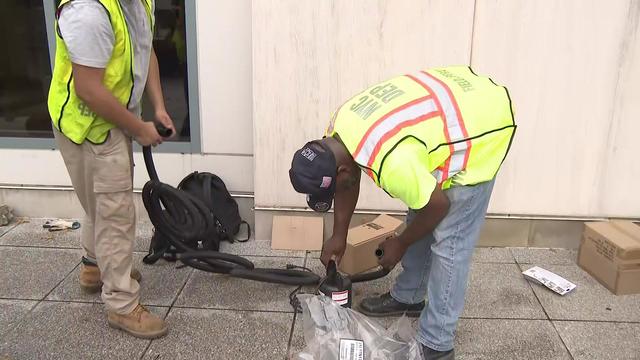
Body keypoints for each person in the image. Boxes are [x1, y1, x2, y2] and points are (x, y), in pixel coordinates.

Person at [289, 66, 516, 359]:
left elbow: (438, 206)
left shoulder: (392, 162)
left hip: (483, 125)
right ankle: (409, 297)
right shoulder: (338, 130)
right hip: (451, 105)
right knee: (419, 206)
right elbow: (349, 180)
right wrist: (338, 235)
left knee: (450, 242)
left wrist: (400, 243)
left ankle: (437, 342)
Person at [48, 0, 175, 339]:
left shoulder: (136, 2)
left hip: (114, 120)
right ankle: (122, 305)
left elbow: (144, 50)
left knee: (102, 203)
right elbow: (89, 90)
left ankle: (93, 268)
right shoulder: (88, 12)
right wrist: (137, 127)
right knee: (115, 213)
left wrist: (159, 106)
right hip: (88, 127)